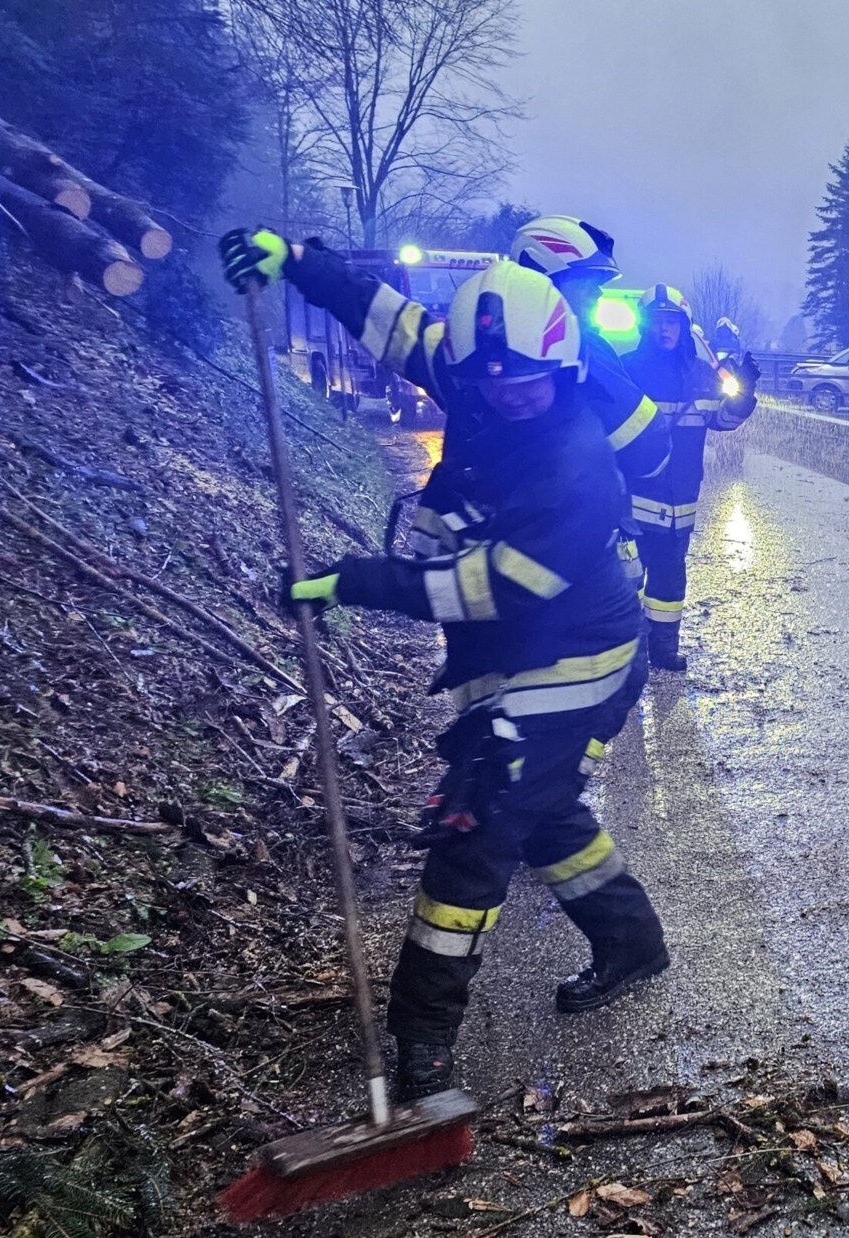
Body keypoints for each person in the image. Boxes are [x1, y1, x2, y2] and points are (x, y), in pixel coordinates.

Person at [220, 231, 672, 1100]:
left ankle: (421, 1046)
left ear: (566, 369)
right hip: (508, 656)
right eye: (491, 380)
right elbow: (385, 320)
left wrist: (357, 581)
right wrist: (297, 259)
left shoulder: (580, 467)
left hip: (579, 659)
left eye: (529, 380)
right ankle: (631, 940)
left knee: (479, 822)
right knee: (539, 815)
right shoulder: (474, 374)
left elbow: (488, 586)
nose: (508, 394)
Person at [505, 215, 672, 589]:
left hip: (515, 561)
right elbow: (651, 450)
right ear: (545, 281)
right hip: (587, 565)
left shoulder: (497, 347)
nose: (598, 295)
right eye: (587, 282)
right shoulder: (580, 348)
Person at [620, 284, 759, 669]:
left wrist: (743, 396)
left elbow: (723, 420)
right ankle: (628, 656)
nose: (664, 329)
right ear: (645, 327)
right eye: (657, 322)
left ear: (683, 326)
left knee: (668, 584)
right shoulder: (627, 370)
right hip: (634, 501)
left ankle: (663, 651)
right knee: (627, 582)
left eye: (672, 322)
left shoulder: (700, 374)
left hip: (682, 501)